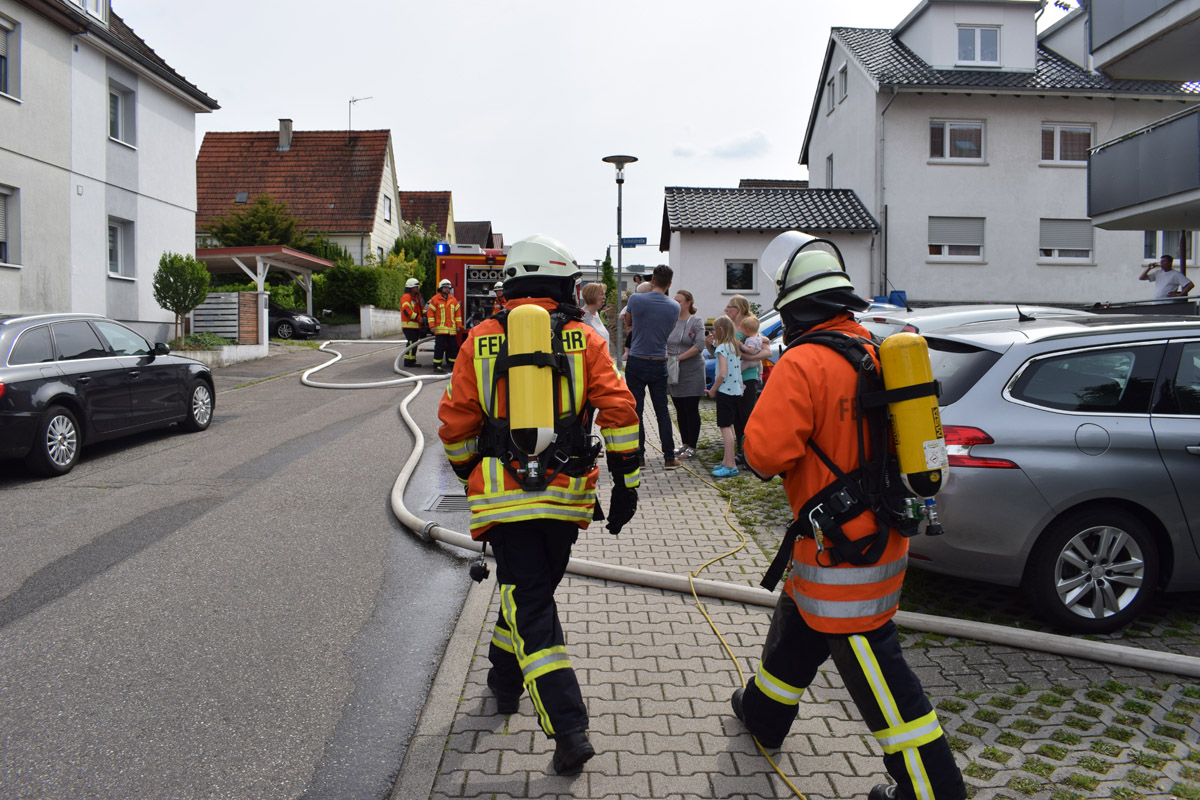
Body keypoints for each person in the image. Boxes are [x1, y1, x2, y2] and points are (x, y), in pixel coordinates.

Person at [731, 231, 966, 800]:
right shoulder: (878, 351)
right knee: (800, 621)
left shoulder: (803, 362)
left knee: (877, 672)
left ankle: (933, 787)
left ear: (793, 307)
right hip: (877, 536)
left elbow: (763, 456)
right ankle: (764, 713)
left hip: (840, 552)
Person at [438, 234, 641, 776]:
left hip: (505, 502)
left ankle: (548, 714)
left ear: (510, 286)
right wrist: (627, 484)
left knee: (527, 599)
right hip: (565, 497)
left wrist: (472, 475)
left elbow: (455, 425)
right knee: (531, 596)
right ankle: (540, 706)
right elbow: (620, 411)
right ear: (562, 285)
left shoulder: (479, 338)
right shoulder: (584, 338)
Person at [625, 265, 681, 469]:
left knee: (636, 411)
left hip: (637, 360)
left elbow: (629, 322)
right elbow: (670, 329)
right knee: (662, 412)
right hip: (659, 362)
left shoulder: (635, 299)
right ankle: (669, 457)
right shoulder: (674, 306)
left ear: (653, 280)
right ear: (669, 284)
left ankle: (639, 457)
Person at [705, 295, 768, 465]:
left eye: (729, 307)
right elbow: (719, 354)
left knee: (746, 415)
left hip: (747, 377)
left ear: (738, 309)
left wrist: (745, 356)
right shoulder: (728, 327)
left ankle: (751, 454)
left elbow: (766, 351)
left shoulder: (749, 326)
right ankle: (741, 452)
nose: (726, 310)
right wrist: (709, 345)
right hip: (732, 380)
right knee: (737, 418)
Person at [667, 289, 706, 459]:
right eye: (674, 300)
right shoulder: (671, 321)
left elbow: (699, 345)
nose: (675, 304)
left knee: (690, 409)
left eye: (679, 301)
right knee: (680, 409)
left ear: (688, 303)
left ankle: (693, 446)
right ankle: (685, 443)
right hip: (674, 372)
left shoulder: (696, 321)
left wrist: (678, 358)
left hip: (692, 371)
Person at [705, 315, 742, 478]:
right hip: (736, 391)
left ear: (720, 330)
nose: (714, 333)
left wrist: (713, 389)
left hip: (725, 391)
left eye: (715, 330)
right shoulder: (734, 346)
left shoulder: (722, 348)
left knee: (725, 428)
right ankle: (727, 461)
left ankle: (731, 465)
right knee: (729, 428)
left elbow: (722, 373)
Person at [427, 278, 464, 373]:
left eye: (448, 288)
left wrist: (458, 325)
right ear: (441, 288)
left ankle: (453, 365)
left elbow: (458, 314)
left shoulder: (453, 300)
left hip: (451, 330)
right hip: (440, 330)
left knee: (453, 348)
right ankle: (437, 366)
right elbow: (430, 314)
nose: (447, 289)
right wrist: (432, 326)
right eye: (445, 288)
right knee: (439, 348)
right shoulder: (435, 299)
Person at [620, 281, 653, 362]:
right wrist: (622, 314)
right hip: (635, 329)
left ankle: (627, 352)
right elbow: (626, 310)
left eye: (638, 294)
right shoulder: (635, 303)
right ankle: (626, 352)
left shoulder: (650, 304)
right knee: (630, 337)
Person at [399, 277, 425, 367]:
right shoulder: (406, 297)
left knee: (414, 343)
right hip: (409, 326)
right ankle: (408, 362)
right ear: (411, 288)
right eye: (416, 287)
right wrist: (418, 317)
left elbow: (421, 309)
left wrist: (427, 314)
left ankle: (412, 360)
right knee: (411, 343)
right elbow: (406, 310)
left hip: (414, 326)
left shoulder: (415, 298)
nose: (417, 288)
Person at [580, 282, 611, 350]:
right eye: (602, 294)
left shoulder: (596, 314)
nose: (604, 297)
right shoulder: (582, 317)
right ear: (592, 295)